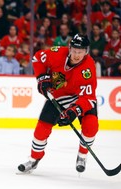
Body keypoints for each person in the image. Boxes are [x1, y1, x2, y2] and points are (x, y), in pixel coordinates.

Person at [18, 34, 98, 174]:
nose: (76, 54)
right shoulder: (57, 53)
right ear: (69, 48)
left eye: (80, 51)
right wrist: (42, 77)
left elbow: (88, 97)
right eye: (74, 50)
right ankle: (34, 159)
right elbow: (37, 58)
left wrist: (74, 111)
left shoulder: (88, 68)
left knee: (91, 125)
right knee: (41, 130)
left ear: (86, 51)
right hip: (58, 96)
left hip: (79, 98)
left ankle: (82, 155)